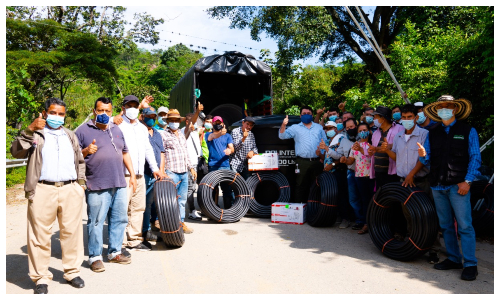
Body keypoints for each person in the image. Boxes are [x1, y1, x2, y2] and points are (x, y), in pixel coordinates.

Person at [10, 98, 87, 294]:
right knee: (39, 236)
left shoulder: (70, 135)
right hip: (43, 189)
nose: (57, 117)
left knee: (71, 233)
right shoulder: (36, 134)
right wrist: (28, 130)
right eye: (53, 113)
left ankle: (72, 272)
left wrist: (81, 184)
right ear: (44, 113)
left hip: (70, 189)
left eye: (61, 114)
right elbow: (16, 152)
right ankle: (41, 277)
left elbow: (80, 160)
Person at [418, 95, 481, 281]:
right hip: (437, 185)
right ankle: (454, 258)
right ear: (437, 111)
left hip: (458, 186)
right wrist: (422, 155)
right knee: (445, 226)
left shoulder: (468, 130)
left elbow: (475, 157)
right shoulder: (433, 132)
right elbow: (427, 159)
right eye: (441, 107)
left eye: (448, 106)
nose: (444, 109)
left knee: (465, 226)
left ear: (455, 109)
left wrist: (468, 181)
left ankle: (470, 264)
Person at [75, 97, 137, 272]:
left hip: (118, 182)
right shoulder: (83, 131)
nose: (104, 114)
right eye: (100, 110)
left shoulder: (116, 129)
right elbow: (72, 155)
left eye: (107, 111)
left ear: (112, 111)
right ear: (94, 111)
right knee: (96, 221)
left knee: (119, 219)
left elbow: (125, 152)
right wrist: (86, 151)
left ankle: (114, 252)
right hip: (96, 183)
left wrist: (131, 175)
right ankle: (94, 257)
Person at [113, 95, 162, 252]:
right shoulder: (117, 125)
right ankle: (119, 243)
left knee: (138, 208)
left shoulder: (141, 127)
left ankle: (134, 239)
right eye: (130, 106)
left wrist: (155, 168)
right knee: (121, 209)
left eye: (135, 106)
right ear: (123, 108)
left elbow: (147, 148)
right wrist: (116, 117)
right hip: (124, 174)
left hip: (140, 175)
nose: (132, 109)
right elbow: (104, 125)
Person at [279, 106, 327, 203]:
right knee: (300, 186)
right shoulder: (295, 128)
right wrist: (283, 125)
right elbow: (282, 136)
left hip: (317, 161)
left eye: (308, 113)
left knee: (317, 186)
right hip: (302, 162)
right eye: (304, 113)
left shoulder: (319, 128)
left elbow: (325, 143)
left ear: (312, 115)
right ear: (300, 116)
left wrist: (323, 157)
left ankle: (315, 211)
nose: (306, 115)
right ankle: (299, 211)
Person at [161, 109, 197, 233]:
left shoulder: (181, 135)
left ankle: (181, 223)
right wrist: (163, 171)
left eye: (176, 120)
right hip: (171, 172)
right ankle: (170, 225)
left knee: (182, 200)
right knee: (170, 201)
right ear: (168, 121)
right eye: (172, 120)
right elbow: (161, 154)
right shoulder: (163, 135)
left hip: (183, 172)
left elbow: (185, 153)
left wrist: (191, 167)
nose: (174, 122)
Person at [321, 118, 358, 229]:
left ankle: (346, 218)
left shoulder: (340, 138)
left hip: (338, 171)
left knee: (343, 196)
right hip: (330, 173)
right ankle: (341, 216)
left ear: (336, 129)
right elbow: (331, 155)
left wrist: (331, 165)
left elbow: (340, 157)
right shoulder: (327, 141)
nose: (328, 130)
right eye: (326, 129)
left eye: (330, 128)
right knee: (335, 195)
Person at [140, 107, 167, 242]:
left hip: (155, 174)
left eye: (153, 117)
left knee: (150, 203)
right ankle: (141, 231)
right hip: (143, 173)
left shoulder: (157, 133)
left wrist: (161, 170)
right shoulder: (139, 131)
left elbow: (162, 153)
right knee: (141, 204)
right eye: (149, 116)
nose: (151, 119)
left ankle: (147, 230)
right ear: (142, 117)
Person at [368, 106, 405, 190]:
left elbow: (402, 149)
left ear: (383, 118)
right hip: (378, 172)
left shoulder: (400, 129)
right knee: (381, 198)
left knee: (392, 198)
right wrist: (372, 151)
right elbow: (374, 149)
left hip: (393, 174)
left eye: (375, 117)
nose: (374, 119)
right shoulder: (376, 132)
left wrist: (388, 147)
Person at [347, 123, 374, 234]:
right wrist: (344, 160)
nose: (363, 132)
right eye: (360, 130)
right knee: (364, 200)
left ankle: (374, 223)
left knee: (374, 199)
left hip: (372, 176)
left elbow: (373, 158)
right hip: (359, 176)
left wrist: (363, 150)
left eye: (365, 129)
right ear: (358, 133)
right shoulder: (355, 145)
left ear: (369, 131)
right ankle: (366, 223)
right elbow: (350, 161)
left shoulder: (373, 144)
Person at [181, 104, 205, 221]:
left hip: (196, 163)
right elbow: (192, 122)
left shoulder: (195, 132)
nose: (195, 123)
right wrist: (197, 112)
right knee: (190, 188)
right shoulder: (183, 131)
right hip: (188, 164)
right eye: (192, 121)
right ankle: (191, 211)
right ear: (187, 122)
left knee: (194, 187)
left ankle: (192, 209)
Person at [205, 116, 235, 208]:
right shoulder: (208, 134)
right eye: (216, 123)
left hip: (225, 165)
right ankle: (213, 210)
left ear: (222, 124)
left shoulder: (227, 136)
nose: (218, 125)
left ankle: (228, 210)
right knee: (212, 189)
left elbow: (232, 148)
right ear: (212, 124)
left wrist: (230, 151)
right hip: (213, 166)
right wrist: (220, 133)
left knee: (227, 189)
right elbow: (213, 136)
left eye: (219, 123)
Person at [198, 114, 213, 183]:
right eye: (207, 121)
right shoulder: (201, 132)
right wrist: (200, 135)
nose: (209, 124)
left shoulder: (215, 133)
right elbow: (199, 145)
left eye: (210, 122)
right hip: (204, 162)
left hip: (213, 161)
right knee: (203, 182)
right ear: (203, 122)